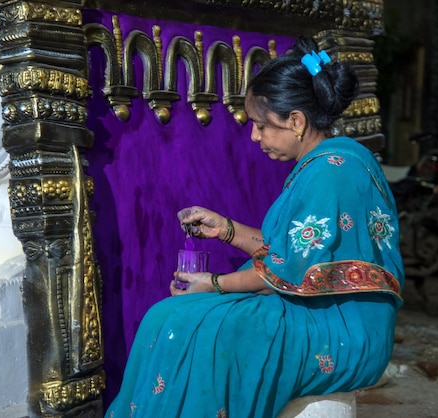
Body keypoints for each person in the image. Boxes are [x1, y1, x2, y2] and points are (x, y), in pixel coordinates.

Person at [105, 36, 404, 418]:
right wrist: (226, 229)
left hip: (343, 331)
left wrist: (212, 284)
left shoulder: (332, 171)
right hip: (326, 312)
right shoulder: (332, 160)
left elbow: (281, 269)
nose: (255, 136)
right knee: (172, 315)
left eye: (262, 125)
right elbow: (297, 254)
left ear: (296, 121)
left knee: (185, 322)